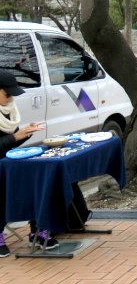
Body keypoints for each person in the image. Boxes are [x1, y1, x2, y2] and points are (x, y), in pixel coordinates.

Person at [0, 69, 55, 257]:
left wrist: (25, 133)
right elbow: (8, 140)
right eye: (8, 94)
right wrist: (15, 136)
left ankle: (37, 231)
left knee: (36, 180)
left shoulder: (7, 110)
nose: (11, 98)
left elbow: (10, 140)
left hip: (8, 161)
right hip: (3, 166)